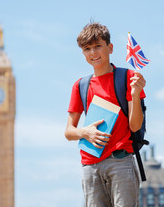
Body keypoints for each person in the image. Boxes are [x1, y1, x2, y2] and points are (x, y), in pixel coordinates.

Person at [64, 22, 146, 207]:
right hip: (90, 164)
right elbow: (69, 131)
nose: (93, 53)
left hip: (121, 161)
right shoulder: (80, 86)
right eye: (87, 49)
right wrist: (85, 133)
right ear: (83, 53)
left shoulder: (128, 78)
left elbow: (135, 126)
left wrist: (134, 94)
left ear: (110, 47)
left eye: (98, 46)